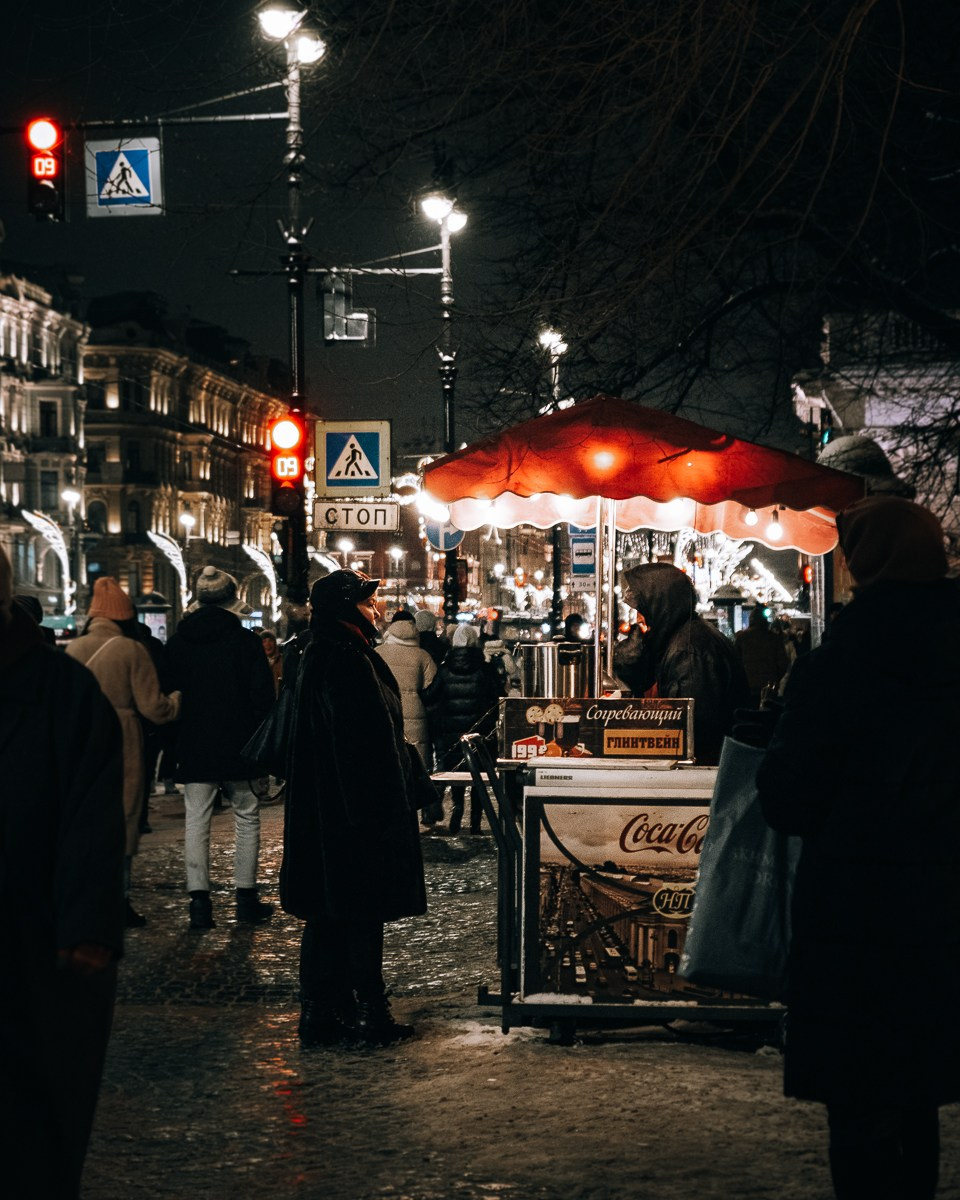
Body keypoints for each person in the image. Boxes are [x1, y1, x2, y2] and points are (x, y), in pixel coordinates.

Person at [756, 497, 960, 1200]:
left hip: (856, 912)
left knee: (861, 1096)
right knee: (916, 1090)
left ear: (864, 562)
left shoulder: (840, 662)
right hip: (942, 908)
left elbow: (788, 799)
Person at [0, 547, 126, 1198]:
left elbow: (92, 817)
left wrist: (87, 927)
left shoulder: (61, 690)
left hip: (33, 939)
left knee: (31, 1129)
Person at [280, 569, 427, 1047]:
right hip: (353, 815)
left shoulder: (324, 651)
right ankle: (367, 1013)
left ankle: (324, 1013)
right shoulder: (345, 658)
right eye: (367, 602)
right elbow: (361, 746)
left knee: (329, 917)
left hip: (329, 812)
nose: (376, 609)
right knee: (360, 915)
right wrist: (377, 814)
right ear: (346, 609)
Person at [165, 565, 277, 930]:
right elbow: (262, 699)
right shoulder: (245, 642)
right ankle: (246, 897)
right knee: (246, 816)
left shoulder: (178, 643)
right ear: (232, 599)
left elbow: (170, 696)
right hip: (239, 744)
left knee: (196, 820)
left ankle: (199, 902)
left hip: (195, 743)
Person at [66, 577, 181, 927]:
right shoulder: (131, 650)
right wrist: (176, 701)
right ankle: (118, 900)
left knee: (86, 819)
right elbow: (154, 708)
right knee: (123, 819)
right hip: (121, 738)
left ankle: (84, 899)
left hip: (81, 742)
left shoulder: (73, 649)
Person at [614, 562, 749, 764]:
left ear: (659, 606)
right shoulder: (688, 636)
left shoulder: (687, 650)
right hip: (716, 760)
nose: (639, 619)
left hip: (708, 766)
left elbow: (689, 726)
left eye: (642, 610)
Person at [435, 623, 503, 834]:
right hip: (479, 733)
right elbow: (497, 697)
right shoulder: (486, 670)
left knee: (457, 773)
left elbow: (434, 697)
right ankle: (475, 822)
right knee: (479, 776)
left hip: (452, 732)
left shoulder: (444, 670)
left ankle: (457, 811)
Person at [375, 608, 441, 776]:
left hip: (385, 711)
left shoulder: (378, 653)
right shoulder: (422, 656)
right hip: (416, 714)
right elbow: (431, 688)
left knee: (387, 759)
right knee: (417, 764)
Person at [734, 606, 791, 707]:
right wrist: (775, 679)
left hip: (747, 686)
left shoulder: (741, 638)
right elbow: (783, 663)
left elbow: (735, 661)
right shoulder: (774, 639)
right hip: (769, 686)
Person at [260, 629, 284, 695]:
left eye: (270, 640)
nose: (268, 644)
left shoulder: (282, 660)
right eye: (264, 641)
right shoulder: (258, 663)